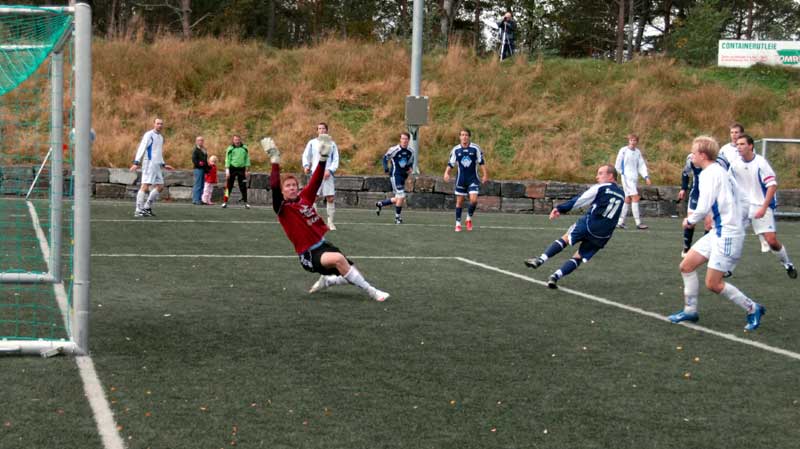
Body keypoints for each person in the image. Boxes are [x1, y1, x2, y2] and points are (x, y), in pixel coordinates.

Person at [263, 136, 389, 302]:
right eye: (288, 186)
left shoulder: (304, 198)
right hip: (308, 254)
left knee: (350, 271)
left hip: (323, 245)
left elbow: (315, 181)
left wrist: (323, 159)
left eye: (294, 185)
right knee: (339, 260)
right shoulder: (282, 208)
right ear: (283, 191)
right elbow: (273, 185)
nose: (292, 188)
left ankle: (329, 280)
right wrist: (274, 161)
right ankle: (372, 292)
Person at [668, 136, 766, 331]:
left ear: (702, 155)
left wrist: (690, 220)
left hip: (728, 234)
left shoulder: (709, 174)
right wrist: (741, 219)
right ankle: (690, 310)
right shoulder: (720, 171)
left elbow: (703, 206)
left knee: (713, 284)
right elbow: (744, 199)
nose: (691, 156)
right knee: (686, 266)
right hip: (719, 231)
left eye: (693, 152)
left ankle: (753, 307)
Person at [524, 164, 625, 289]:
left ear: (610, 176)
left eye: (600, 173)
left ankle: (540, 259)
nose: (596, 177)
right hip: (603, 234)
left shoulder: (602, 187)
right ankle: (555, 277)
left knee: (565, 238)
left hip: (589, 224)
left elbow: (581, 200)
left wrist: (560, 208)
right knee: (578, 257)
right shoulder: (622, 194)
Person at [730, 134, 796, 278]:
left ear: (750, 146)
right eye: (737, 144)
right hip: (743, 206)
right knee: (733, 235)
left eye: (742, 144)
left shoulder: (761, 163)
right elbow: (728, 184)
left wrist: (764, 208)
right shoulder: (735, 165)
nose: (738, 147)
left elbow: (772, 186)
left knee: (771, 241)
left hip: (761, 204)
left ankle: (787, 263)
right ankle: (727, 267)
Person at [443, 128, 488, 232]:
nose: (464, 137)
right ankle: (458, 223)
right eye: (462, 135)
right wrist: (446, 173)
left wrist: (485, 175)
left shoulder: (475, 148)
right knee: (459, 202)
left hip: (473, 178)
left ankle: (468, 218)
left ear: (469, 137)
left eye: (466, 135)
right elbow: (451, 164)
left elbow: (481, 162)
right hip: (461, 179)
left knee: (474, 200)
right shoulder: (455, 150)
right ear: (460, 137)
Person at [129, 118, 174, 217]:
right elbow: (142, 147)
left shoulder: (161, 137)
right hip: (149, 164)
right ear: (154, 124)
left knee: (160, 186)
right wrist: (136, 162)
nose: (160, 125)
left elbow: (158, 152)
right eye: (158, 123)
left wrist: (163, 164)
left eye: (161, 124)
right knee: (145, 186)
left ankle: (147, 207)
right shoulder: (149, 135)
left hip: (157, 165)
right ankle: (138, 209)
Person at [302, 122, 340, 230]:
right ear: (317, 131)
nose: (321, 130)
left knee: (330, 198)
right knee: (314, 197)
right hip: (315, 174)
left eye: (323, 128)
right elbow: (306, 155)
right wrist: (306, 166)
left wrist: (330, 170)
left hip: (328, 175)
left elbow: (336, 159)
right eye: (319, 128)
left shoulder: (332, 144)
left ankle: (330, 222)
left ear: (326, 130)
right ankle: (315, 221)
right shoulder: (312, 143)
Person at [376, 132, 414, 224]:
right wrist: (386, 168)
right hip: (395, 175)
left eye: (406, 139)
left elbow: (410, 162)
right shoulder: (394, 149)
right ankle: (397, 218)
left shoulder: (411, 151)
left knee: (398, 198)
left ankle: (380, 203)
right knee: (401, 195)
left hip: (403, 176)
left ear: (408, 140)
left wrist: (410, 169)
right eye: (403, 138)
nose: (404, 140)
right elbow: (385, 158)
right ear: (400, 140)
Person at [614, 134, 651, 229]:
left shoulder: (638, 152)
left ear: (637, 142)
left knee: (628, 199)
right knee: (635, 197)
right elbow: (618, 163)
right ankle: (638, 223)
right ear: (628, 141)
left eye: (634, 140)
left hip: (634, 178)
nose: (632, 142)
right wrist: (621, 173)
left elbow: (641, 165)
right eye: (631, 140)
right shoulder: (623, 150)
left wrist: (646, 177)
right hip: (627, 178)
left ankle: (620, 222)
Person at [222, 135, 250, 209]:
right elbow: (227, 159)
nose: (237, 141)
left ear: (240, 140)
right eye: (235, 140)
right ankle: (225, 202)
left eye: (238, 139)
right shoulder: (230, 148)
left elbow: (247, 159)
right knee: (229, 186)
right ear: (233, 140)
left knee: (243, 186)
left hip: (242, 169)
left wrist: (247, 170)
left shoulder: (245, 148)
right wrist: (227, 170)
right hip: (232, 169)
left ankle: (246, 203)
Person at [191, 136, 209, 205]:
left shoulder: (204, 149)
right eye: (199, 140)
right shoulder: (195, 150)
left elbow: (205, 160)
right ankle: (195, 200)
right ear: (196, 141)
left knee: (202, 185)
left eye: (201, 140)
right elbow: (194, 160)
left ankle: (200, 199)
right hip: (198, 169)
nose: (200, 142)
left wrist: (207, 168)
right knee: (198, 184)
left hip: (203, 169)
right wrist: (199, 163)